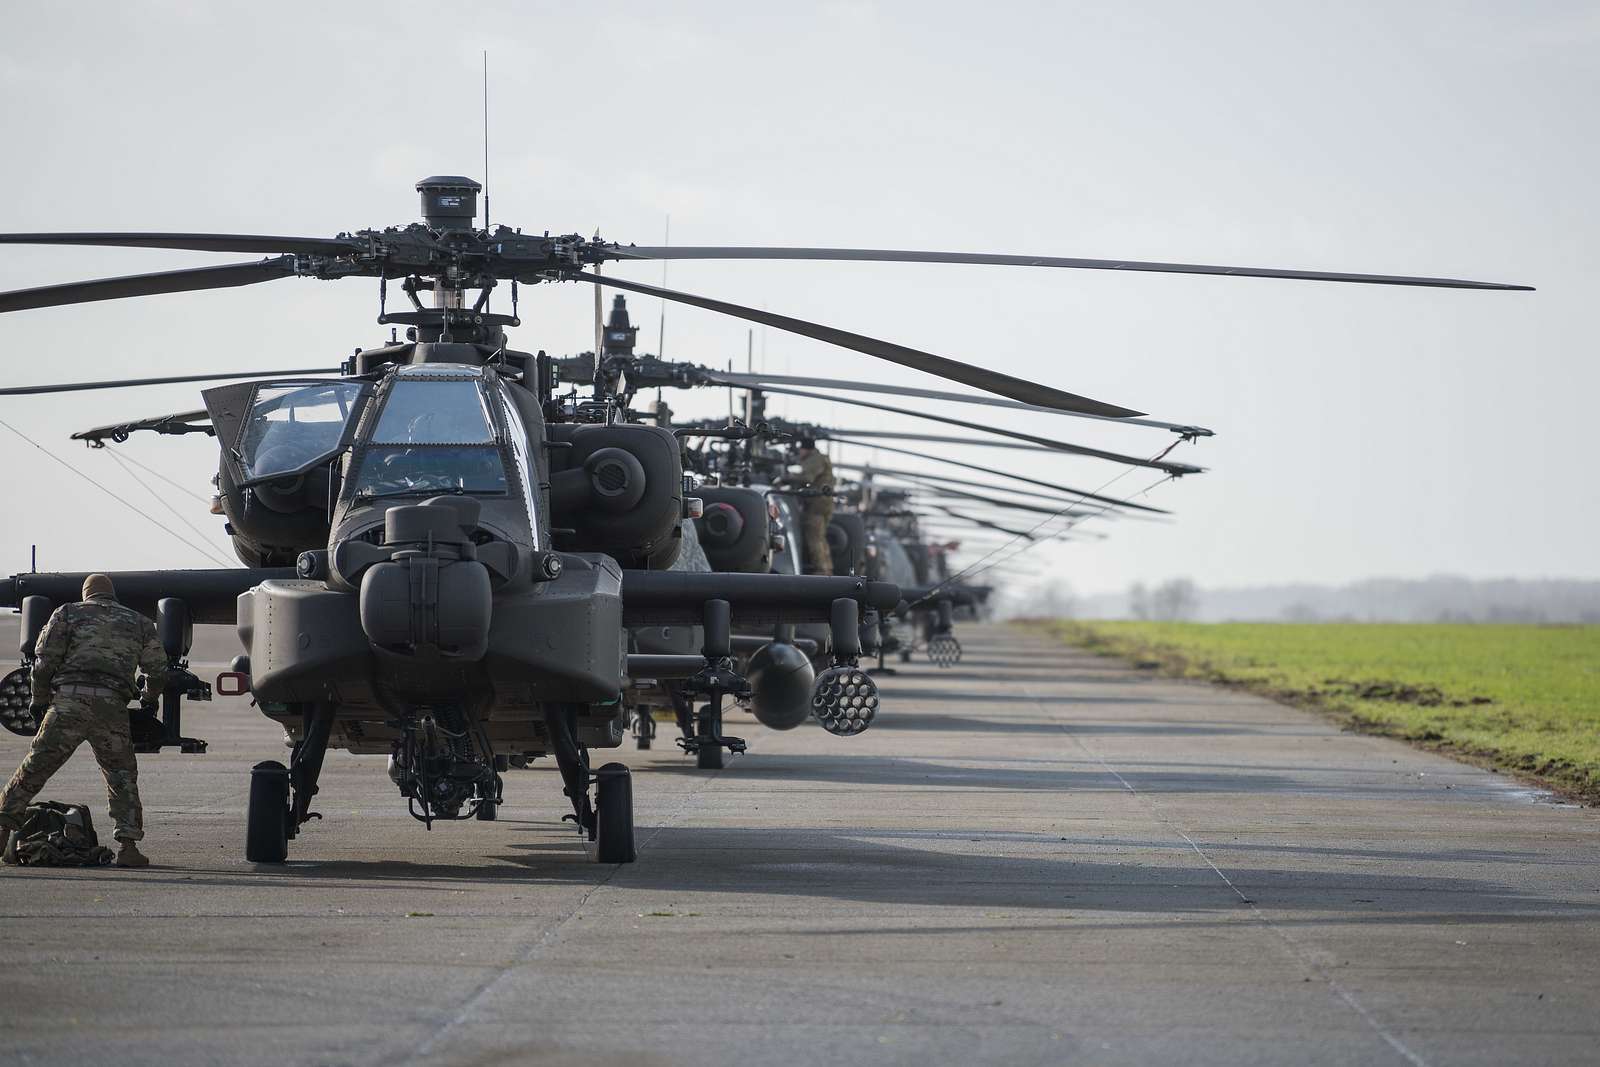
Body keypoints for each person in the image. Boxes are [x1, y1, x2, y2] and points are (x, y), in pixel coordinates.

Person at [0, 574, 168, 868]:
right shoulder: (139, 622)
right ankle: (128, 848)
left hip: (68, 703)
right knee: (121, 777)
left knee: (35, 767)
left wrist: (39, 700)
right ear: (112, 595)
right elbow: (157, 669)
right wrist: (149, 698)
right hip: (111, 707)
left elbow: (44, 661)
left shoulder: (67, 613)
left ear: (86, 594)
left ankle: (2, 831)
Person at [783, 437, 836, 576]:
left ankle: (821, 569)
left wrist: (787, 477)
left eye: (800, 449)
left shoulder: (815, 459)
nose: (799, 453)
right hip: (824, 503)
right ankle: (826, 568)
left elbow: (807, 478)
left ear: (805, 449)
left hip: (817, 504)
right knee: (820, 536)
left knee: (814, 536)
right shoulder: (821, 458)